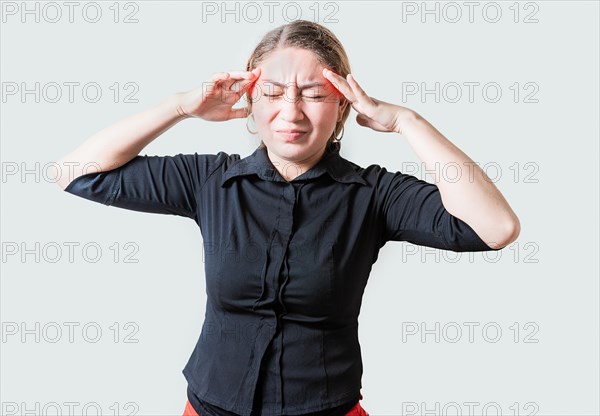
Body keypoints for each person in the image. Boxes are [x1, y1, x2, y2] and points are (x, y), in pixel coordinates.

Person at [57, 20, 520, 416]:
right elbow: (74, 173)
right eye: (273, 93)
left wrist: (406, 121)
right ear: (251, 104)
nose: (291, 111)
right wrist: (181, 106)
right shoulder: (210, 180)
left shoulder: (374, 194)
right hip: (210, 406)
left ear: (342, 106)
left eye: (315, 94)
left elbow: (496, 228)